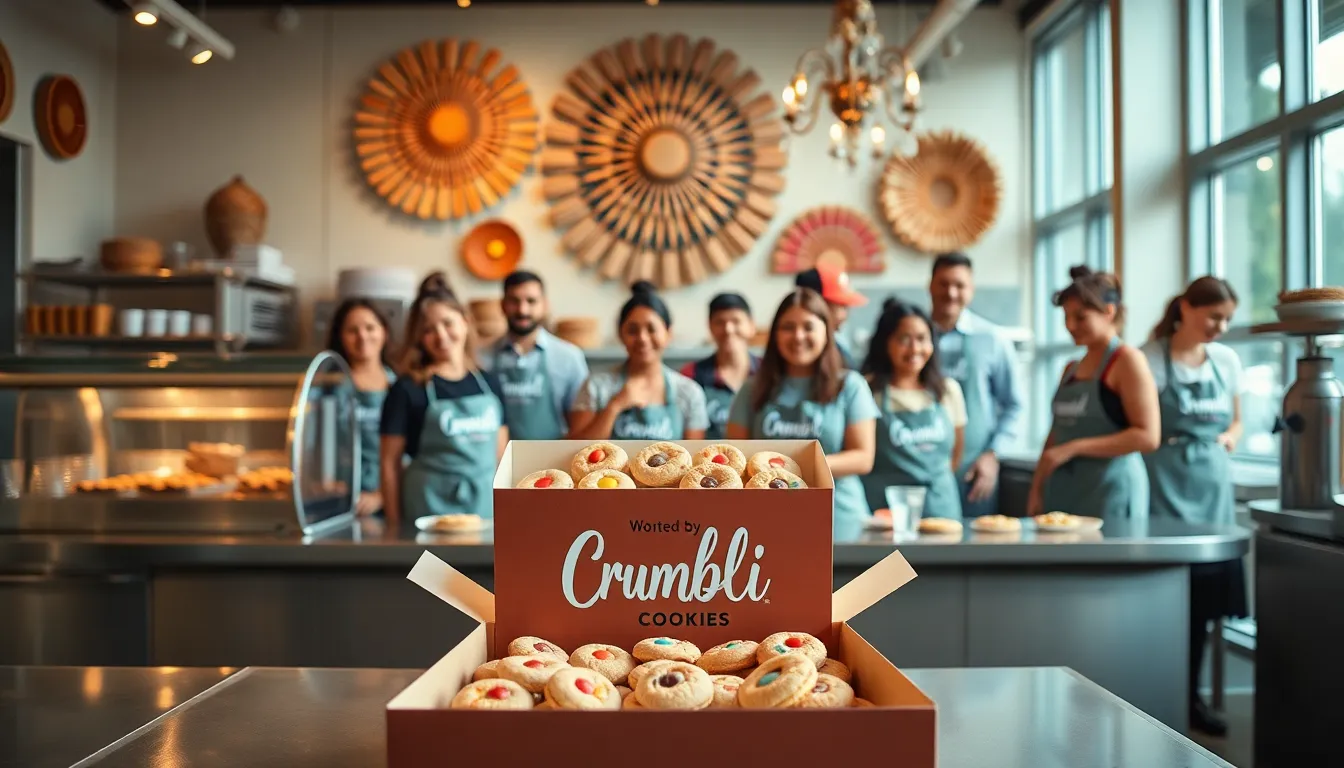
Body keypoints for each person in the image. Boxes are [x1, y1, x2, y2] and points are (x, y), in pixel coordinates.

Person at [1142, 276, 1247, 736]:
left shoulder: (1226, 360)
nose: (1220, 328)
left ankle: (1193, 698)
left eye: (1226, 319)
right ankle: (1156, 694)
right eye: (1214, 316)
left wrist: (1229, 437)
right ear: (1185, 308)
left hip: (1213, 489)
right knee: (1164, 598)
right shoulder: (1149, 359)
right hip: (1163, 486)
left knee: (1204, 605)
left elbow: (1239, 420)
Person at [726, 287, 878, 525]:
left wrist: (791, 466)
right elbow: (735, 458)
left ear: (826, 332)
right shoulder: (751, 389)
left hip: (838, 516)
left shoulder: (850, 386)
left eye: (808, 327)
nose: (798, 336)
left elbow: (863, 458)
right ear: (775, 334)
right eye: (788, 327)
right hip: (766, 516)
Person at [1028, 266, 1160, 522]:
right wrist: (1037, 487)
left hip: (1110, 492)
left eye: (1080, 317)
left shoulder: (1127, 361)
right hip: (1064, 493)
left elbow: (1148, 437)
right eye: (1066, 317)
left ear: (1109, 312)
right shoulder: (1070, 369)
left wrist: (1075, 448)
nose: (1070, 326)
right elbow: (1056, 435)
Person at [380, 273, 506, 524]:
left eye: (447, 323)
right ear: (419, 338)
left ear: (465, 322)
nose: (441, 335)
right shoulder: (407, 389)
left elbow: (501, 458)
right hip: (428, 508)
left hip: (484, 508)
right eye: (428, 330)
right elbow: (389, 463)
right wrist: (394, 526)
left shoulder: (489, 383)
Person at [928, 252, 1025, 517]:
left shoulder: (992, 339)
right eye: (943, 283)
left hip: (975, 474)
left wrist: (992, 455)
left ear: (971, 290)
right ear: (930, 285)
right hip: (923, 471)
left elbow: (1014, 405)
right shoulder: (913, 338)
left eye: (959, 285)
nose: (951, 292)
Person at [859, 299, 966, 519]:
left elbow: (955, 454)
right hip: (886, 514)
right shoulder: (866, 391)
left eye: (922, 339)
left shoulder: (948, 391)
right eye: (904, 339)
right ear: (885, 343)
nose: (915, 349)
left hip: (941, 509)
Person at [569, 281, 709, 441]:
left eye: (651, 329)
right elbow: (576, 451)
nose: (642, 338)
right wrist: (614, 406)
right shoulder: (596, 386)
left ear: (668, 334)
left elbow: (693, 457)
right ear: (620, 335)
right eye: (633, 330)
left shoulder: (689, 393)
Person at [479, 271, 589, 440]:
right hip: (498, 461)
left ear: (545, 305)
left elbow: (580, 425)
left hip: (552, 461)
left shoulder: (569, 357)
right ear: (502, 305)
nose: (522, 310)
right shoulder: (481, 356)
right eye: (514, 301)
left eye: (531, 301)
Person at [327, 298, 396, 517]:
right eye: (352, 330)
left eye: (370, 327)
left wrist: (380, 495)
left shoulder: (401, 387)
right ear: (341, 337)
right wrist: (326, 485)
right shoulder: (329, 387)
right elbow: (315, 448)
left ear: (384, 332)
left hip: (393, 500)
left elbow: (411, 454)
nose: (362, 336)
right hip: (342, 502)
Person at [680, 292, 760, 440]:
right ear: (709, 327)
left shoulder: (769, 372)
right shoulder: (690, 376)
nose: (728, 329)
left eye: (736, 321)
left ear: (751, 326)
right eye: (720, 322)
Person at [795, 263, 867, 369]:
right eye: (842, 306)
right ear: (816, 304)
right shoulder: (796, 352)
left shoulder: (839, 350)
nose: (845, 315)